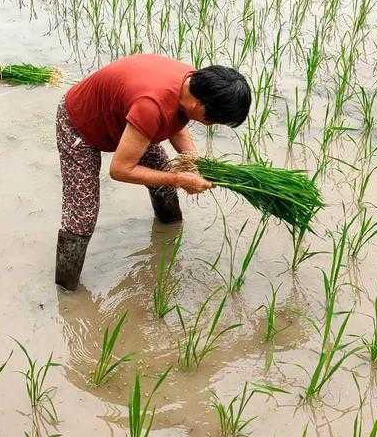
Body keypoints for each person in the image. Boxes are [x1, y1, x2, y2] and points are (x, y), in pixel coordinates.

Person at [55, 54, 251, 290]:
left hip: (127, 120)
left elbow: (174, 123)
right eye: (212, 122)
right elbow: (120, 170)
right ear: (198, 106)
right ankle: (66, 290)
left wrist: (194, 162)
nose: (209, 126)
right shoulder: (152, 106)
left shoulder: (192, 85)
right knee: (81, 216)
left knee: (163, 178)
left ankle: (168, 236)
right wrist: (179, 179)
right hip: (79, 124)